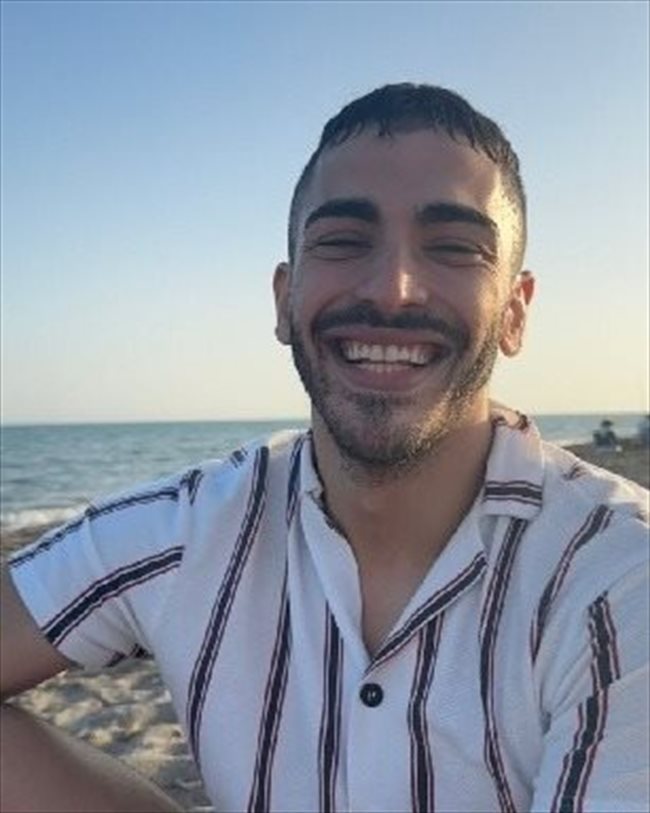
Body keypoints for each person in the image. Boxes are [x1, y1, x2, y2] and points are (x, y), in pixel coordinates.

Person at [2, 83, 649, 813]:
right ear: (285, 299)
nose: (394, 289)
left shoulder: (619, 576)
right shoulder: (187, 530)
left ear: (515, 312)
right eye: (343, 241)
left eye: (454, 248)